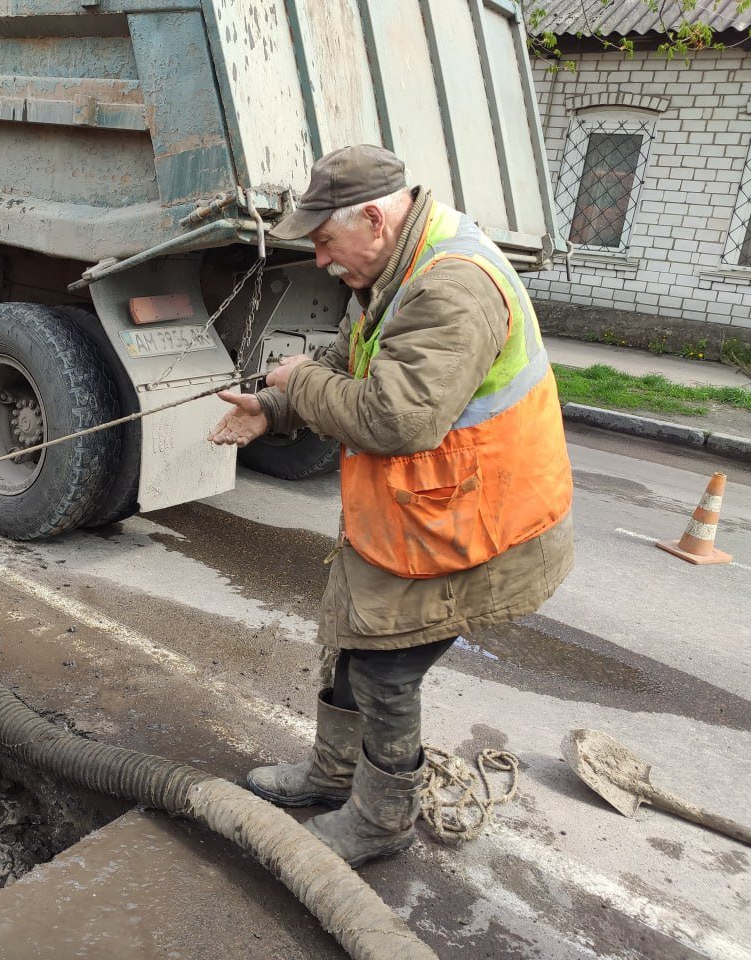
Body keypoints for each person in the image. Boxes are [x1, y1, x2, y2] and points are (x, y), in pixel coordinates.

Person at [208, 144, 574, 868]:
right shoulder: (396, 266)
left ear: (372, 219)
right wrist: (274, 407)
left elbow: (395, 419)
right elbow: (351, 368)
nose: (319, 260)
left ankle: (380, 821)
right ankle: (333, 777)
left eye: (322, 241)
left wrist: (300, 379)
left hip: (481, 527)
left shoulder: (452, 290)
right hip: (431, 514)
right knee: (356, 639)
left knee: (386, 672)